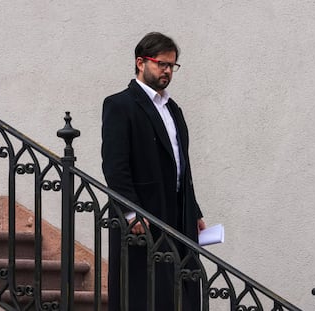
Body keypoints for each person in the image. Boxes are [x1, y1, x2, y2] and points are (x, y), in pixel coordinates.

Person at [102, 32, 205, 311]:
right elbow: (114, 165)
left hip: (177, 213)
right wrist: (131, 212)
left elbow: (181, 165)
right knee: (144, 293)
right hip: (142, 217)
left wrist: (194, 211)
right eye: (162, 64)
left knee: (181, 290)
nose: (168, 71)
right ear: (140, 63)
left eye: (172, 66)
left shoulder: (174, 109)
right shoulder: (119, 105)